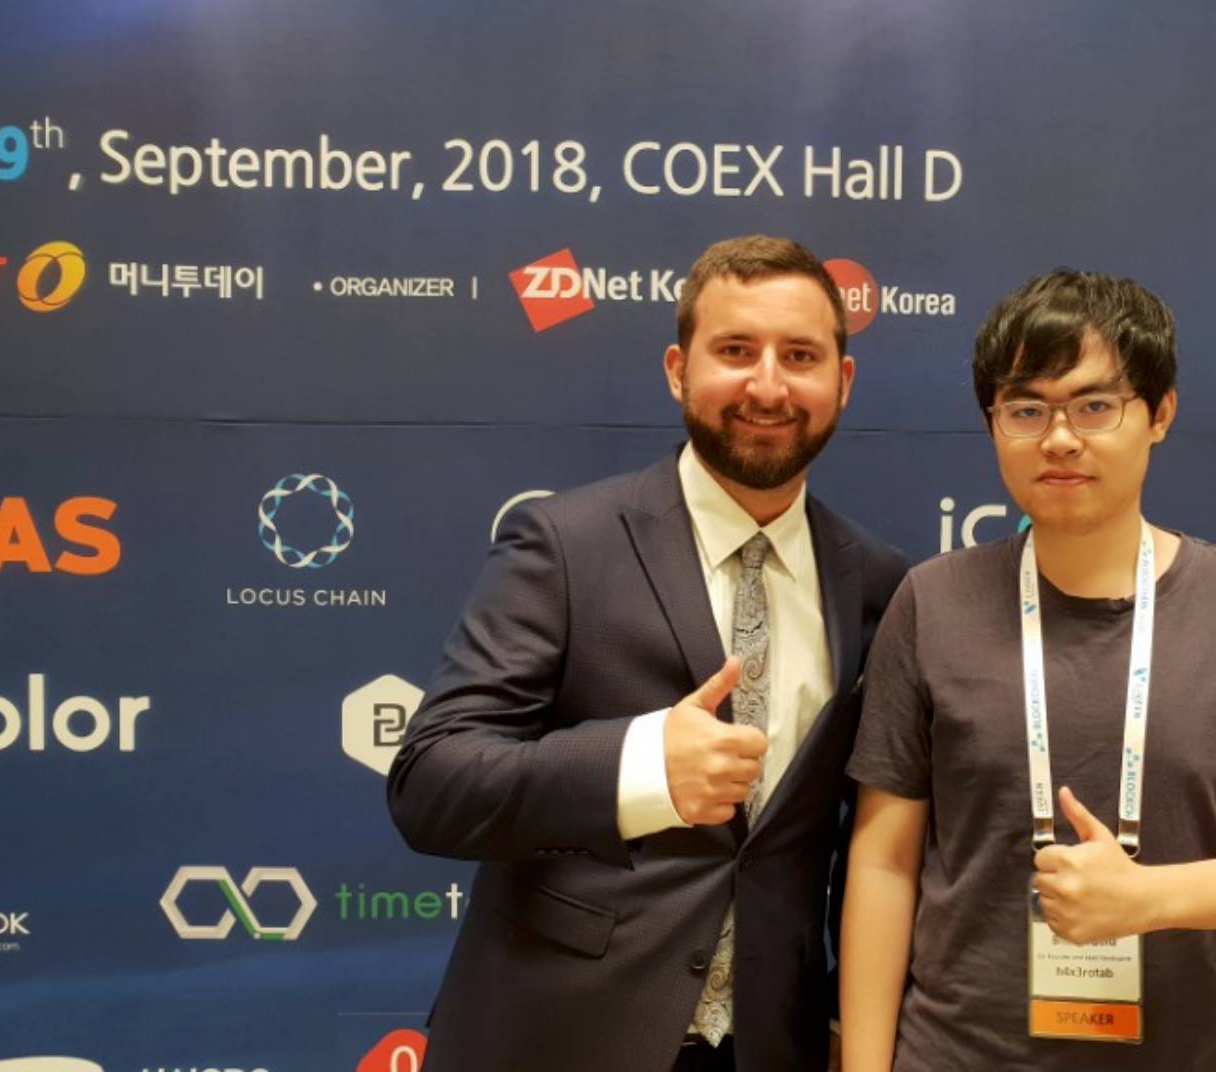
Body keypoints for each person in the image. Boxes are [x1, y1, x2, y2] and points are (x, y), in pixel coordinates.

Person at [840, 269, 1216, 1071]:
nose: (1060, 439)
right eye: (1026, 410)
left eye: (1094, 406)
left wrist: (1148, 897)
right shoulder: (933, 602)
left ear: (1159, 414)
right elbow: (884, 862)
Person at [389, 235, 909, 1072]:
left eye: (800, 356)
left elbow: (869, 843)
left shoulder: (880, 584)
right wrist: (640, 768)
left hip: (771, 1047)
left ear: (842, 382)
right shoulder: (564, 544)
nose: (767, 385)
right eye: (735, 350)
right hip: (560, 1039)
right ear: (678, 371)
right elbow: (432, 785)